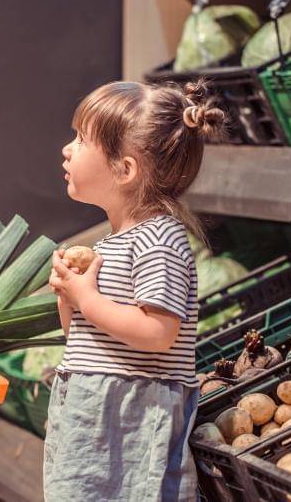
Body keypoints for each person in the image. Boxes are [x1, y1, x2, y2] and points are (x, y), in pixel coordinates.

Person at [44, 80, 226, 501]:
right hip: (94, 414)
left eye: (81, 140)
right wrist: (69, 297)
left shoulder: (160, 239)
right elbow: (86, 340)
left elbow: (158, 334)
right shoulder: (112, 243)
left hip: (129, 422)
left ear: (125, 170)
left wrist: (86, 298)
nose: (67, 149)